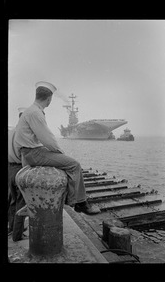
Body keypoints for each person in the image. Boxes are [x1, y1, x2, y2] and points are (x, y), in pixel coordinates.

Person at [13, 81, 100, 215]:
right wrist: (61, 153)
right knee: (74, 165)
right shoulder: (36, 113)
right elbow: (48, 140)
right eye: (50, 99)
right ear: (49, 99)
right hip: (34, 153)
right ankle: (80, 202)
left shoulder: (28, 111)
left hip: (26, 154)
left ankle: (31, 204)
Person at [8, 107, 28, 241]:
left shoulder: (10, 132)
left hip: (10, 169)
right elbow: (25, 157)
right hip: (20, 169)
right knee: (21, 203)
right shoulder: (24, 133)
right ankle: (17, 235)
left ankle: (11, 228)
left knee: (12, 201)